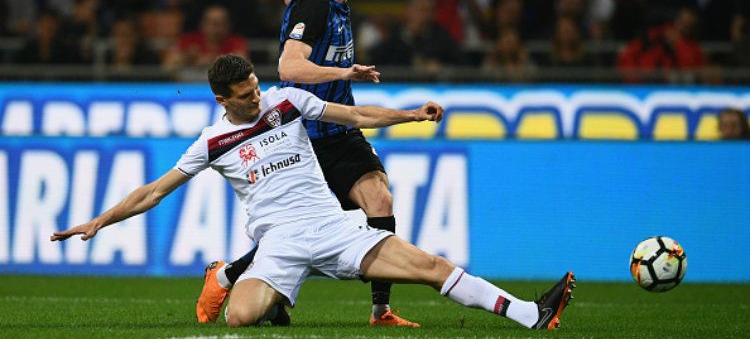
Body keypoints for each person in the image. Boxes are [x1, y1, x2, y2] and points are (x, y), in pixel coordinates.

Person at [51, 55, 576, 331]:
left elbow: (356, 115)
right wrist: (99, 221)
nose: (257, 96)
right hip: (277, 242)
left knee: (429, 267)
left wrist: (410, 114)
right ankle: (256, 293)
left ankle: (531, 313)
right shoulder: (212, 142)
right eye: (245, 94)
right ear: (221, 99)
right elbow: (153, 191)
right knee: (240, 319)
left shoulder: (286, 101)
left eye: (257, 86)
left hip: (334, 227)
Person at [196, 0, 419, 328]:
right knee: (296, 233)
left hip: (340, 131)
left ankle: (380, 311)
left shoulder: (324, 4)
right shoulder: (315, 7)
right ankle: (227, 276)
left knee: (380, 202)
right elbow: (288, 67)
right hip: (303, 138)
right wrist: (345, 71)